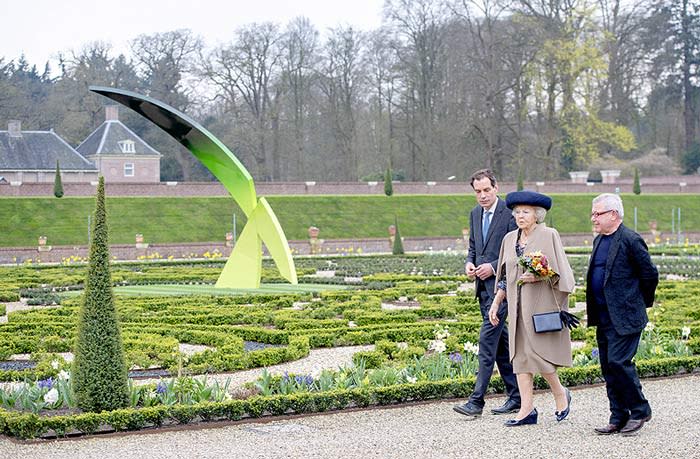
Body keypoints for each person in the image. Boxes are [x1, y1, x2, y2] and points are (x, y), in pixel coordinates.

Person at [488, 190, 575, 426]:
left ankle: (560, 393)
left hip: (540, 305)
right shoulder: (509, 239)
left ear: (537, 214)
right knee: (519, 357)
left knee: (538, 354)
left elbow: (562, 273)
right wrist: (496, 302)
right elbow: (505, 276)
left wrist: (537, 277)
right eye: (517, 212)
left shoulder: (549, 235)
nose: (520, 216)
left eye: (525, 212)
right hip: (516, 308)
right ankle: (526, 410)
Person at [587, 193, 658, 436]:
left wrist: (638, 303)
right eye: (593, 214)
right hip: (604, 317)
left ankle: (640, 410)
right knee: (608, 367)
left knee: (619, 362)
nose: (593, 218)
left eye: (598, 213)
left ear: (614, 214)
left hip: (625, 316)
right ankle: (618, 415)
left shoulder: (630, 239)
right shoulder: (599, 240)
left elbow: (649, 275)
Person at [453, 169, 520, 418]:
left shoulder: (510, 216)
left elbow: (515, 253)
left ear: (496, 188)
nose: (482, 195)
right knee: (501, 345)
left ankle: (476, 401)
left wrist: (491, 267)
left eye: (486, 190)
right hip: (482, 290)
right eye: (477, 191)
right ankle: (517, 396)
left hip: (502, 290)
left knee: (486, 343)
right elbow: (473, 247)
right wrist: (469, 263)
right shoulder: (474, 214)